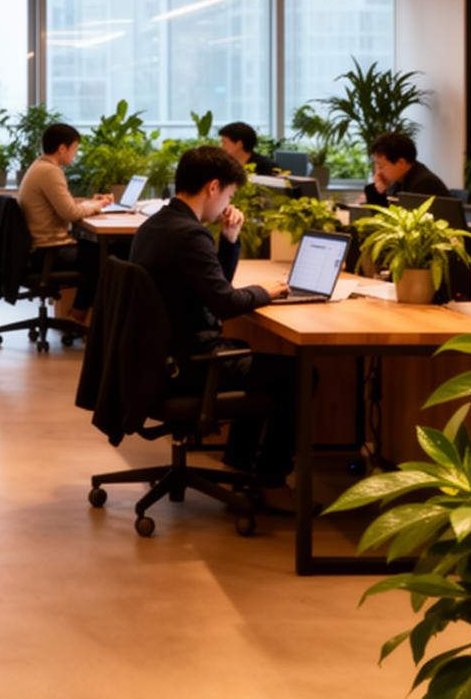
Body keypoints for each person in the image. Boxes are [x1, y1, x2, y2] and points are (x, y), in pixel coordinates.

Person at [129, 146, 295, 485]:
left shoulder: (157, 224)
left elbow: (213, 287)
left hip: (157, 361)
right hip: (187, 365)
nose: (227, 204)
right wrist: (266, 291)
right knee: (296, 374)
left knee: (248, 353)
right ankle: (268, 477)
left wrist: (230, 240)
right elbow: (224, 304)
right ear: (213, 187)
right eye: (229, 195)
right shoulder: (190, 234)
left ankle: (240, 462)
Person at [16, 123, 113, 319]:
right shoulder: (50, 171)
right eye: (74, 149)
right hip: (48, 251)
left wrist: (89, 202)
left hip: (40, 248)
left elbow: (62, 203)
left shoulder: (40, 166)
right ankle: (79, 313)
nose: (75, 154)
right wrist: (98, 206)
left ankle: (80, 311)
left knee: (95, 249)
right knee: (103, 255)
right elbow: (70, 213)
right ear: (62, 148)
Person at [362, 132, 450, 206]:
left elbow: (397, 217)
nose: (378, 171)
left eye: (381, 166)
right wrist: (380, 190)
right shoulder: (400, 180)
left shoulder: (425, 184)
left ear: (401, 163)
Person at [218, 121, 282, 177]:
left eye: (224, 142)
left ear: (239, 144)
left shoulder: (267, 167)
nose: (221, 146)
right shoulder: (225, 166)